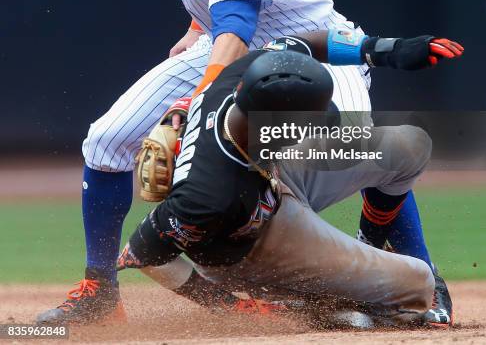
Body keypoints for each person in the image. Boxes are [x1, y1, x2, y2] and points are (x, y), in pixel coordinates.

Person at [36, 0, 459, 326]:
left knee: (352, 150)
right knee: (106, 141)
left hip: (310, 49)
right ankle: (99, 292)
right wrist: (196, 27)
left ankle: (422, 275)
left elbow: (238, 22)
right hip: (222, 41)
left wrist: (193, 103)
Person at [114, 31, 462, 328]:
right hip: (254, 246)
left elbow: (307, 43)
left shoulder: (245, 75)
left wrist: (385, 49)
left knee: (411, 145)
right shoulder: (208, 194)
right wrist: (233, 307)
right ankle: (314, 301)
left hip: (272, 172)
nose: (319, 126)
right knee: (418, 282)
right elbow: (142, 253)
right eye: (307, 123)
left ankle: (363, 256)